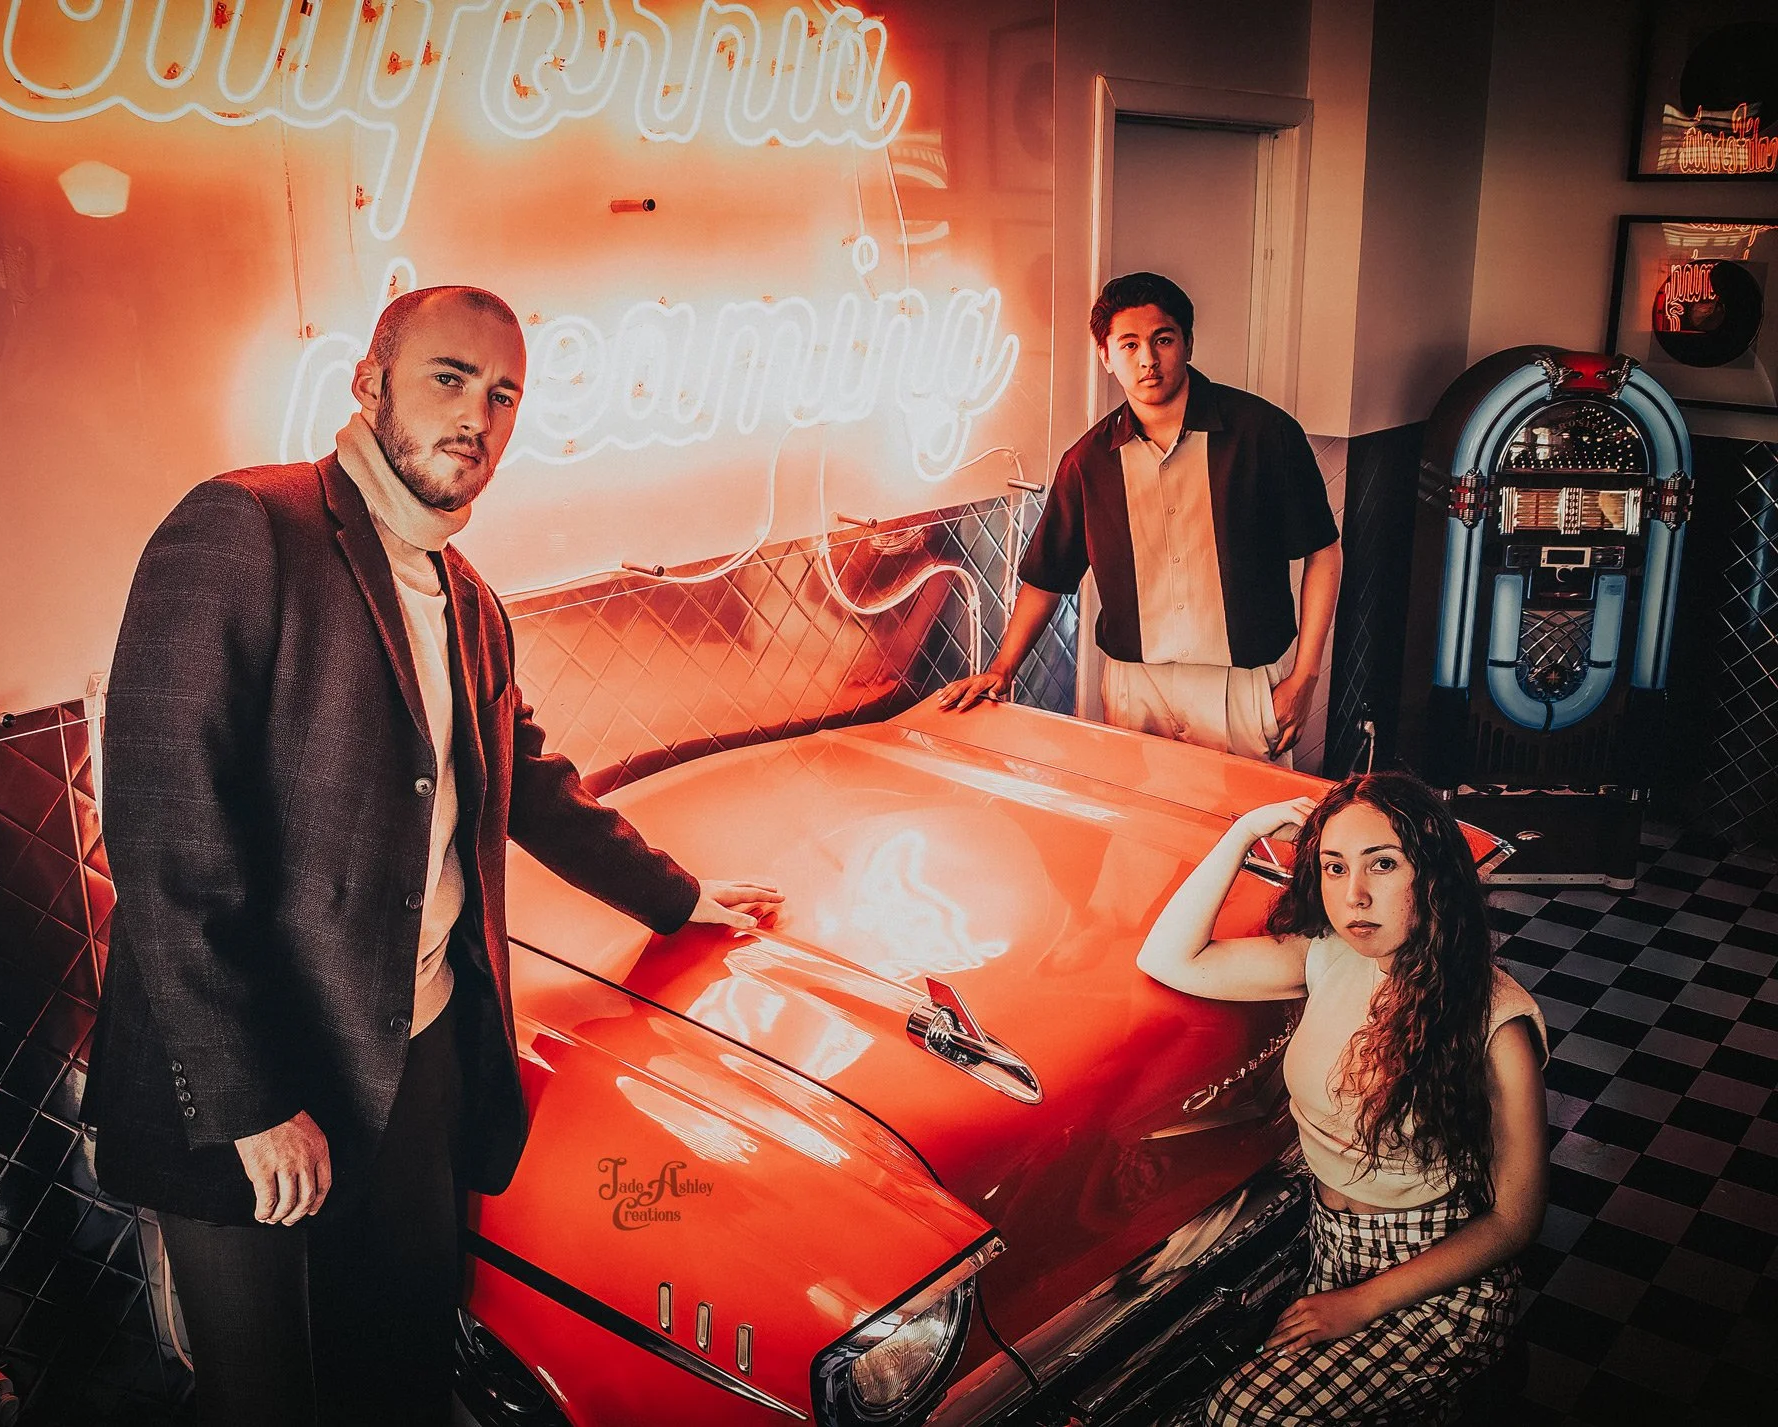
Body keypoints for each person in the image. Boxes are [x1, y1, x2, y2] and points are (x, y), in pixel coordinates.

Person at [81, 286, 783, 1426]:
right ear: (369, 384)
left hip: (416, 1056)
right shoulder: (243, 526)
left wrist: (680, 895)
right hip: (259, 1077)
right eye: (449, 379)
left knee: (399, 1373)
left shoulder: (469, 599)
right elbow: (167, 833)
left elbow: (531, 785)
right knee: (272, 1401)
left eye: (503, 394)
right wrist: (253, 1100)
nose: (478, 416)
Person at [1136, 772, 1546, 1426]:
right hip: (1333, 1246)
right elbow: (1170, 957)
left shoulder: (1497, 1024)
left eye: (1382, 863)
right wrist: (1244, 831)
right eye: (1333, 866)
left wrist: (1362, 1303)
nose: (1353, 894)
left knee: (1240, 1413)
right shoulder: (1327, 955)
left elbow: (1514, 1221)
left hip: (1438, 1279)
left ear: (1432, 873)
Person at [936, 272, 1341, 764]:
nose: (1148, 359)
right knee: (1140, 834)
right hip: (1135, 687)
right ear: (1106, 356)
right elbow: (1047, 577)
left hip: (1241, 686)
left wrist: (1305, 676)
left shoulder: (1263, 434)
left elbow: (1322, 551)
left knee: (1252, 834)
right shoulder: (1088, 462)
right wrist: (1004, 668)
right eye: (1128, 345)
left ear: (1187, 344)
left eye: (1162, 340)